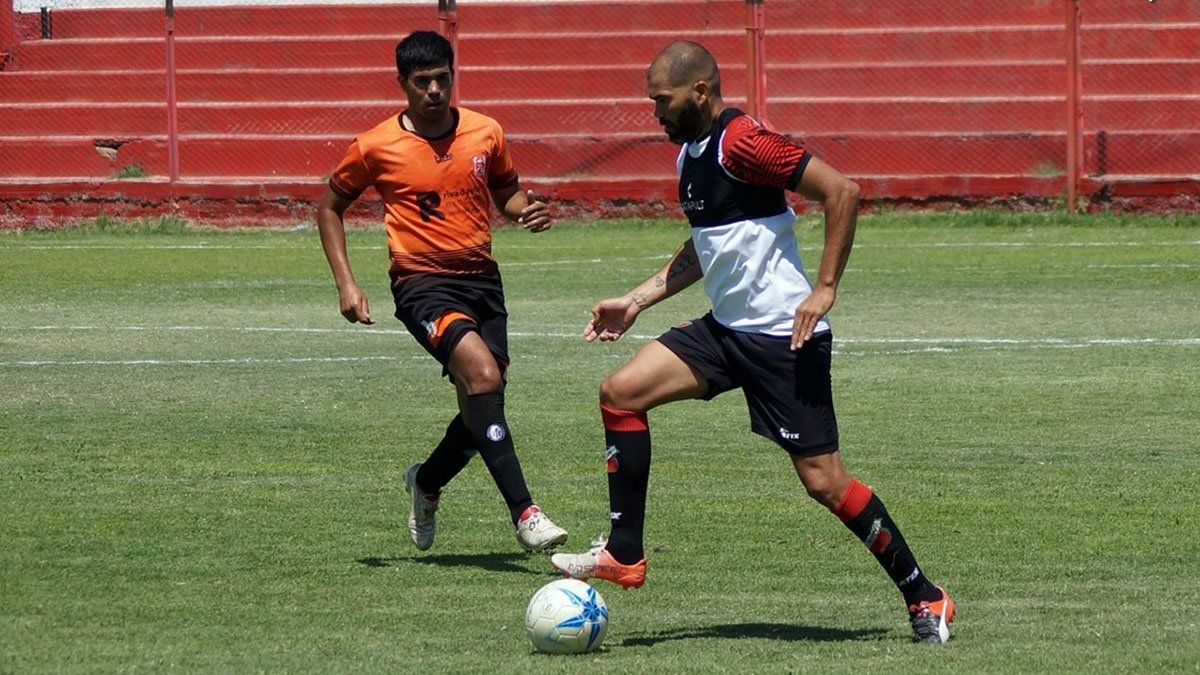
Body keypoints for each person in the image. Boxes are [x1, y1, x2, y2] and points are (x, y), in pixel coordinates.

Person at [550, 41, 955, 643]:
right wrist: (636, 300)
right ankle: (625, 553)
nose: (654, 113)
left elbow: (841, 191)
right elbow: (706, 246)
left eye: (662, 101)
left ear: (702, 92)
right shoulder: (691, 152)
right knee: (621, 393)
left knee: (825, 483)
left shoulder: (743, 141)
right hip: (725, 331)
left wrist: (823, 289)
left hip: (781, 337)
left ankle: (926, 597)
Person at [315, 30, 568, 553]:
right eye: (422, 82)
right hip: (420, 283)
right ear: (402, 84)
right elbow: (329, 207)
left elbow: (507, 193)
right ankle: (526, 513)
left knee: (484, 402)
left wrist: (526, 212)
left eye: (442, 79)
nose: (434, 90)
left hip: (482, 280)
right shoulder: (375, 145)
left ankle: (426, 482)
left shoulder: (485, 132)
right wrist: (347, 282)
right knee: (482, 375)